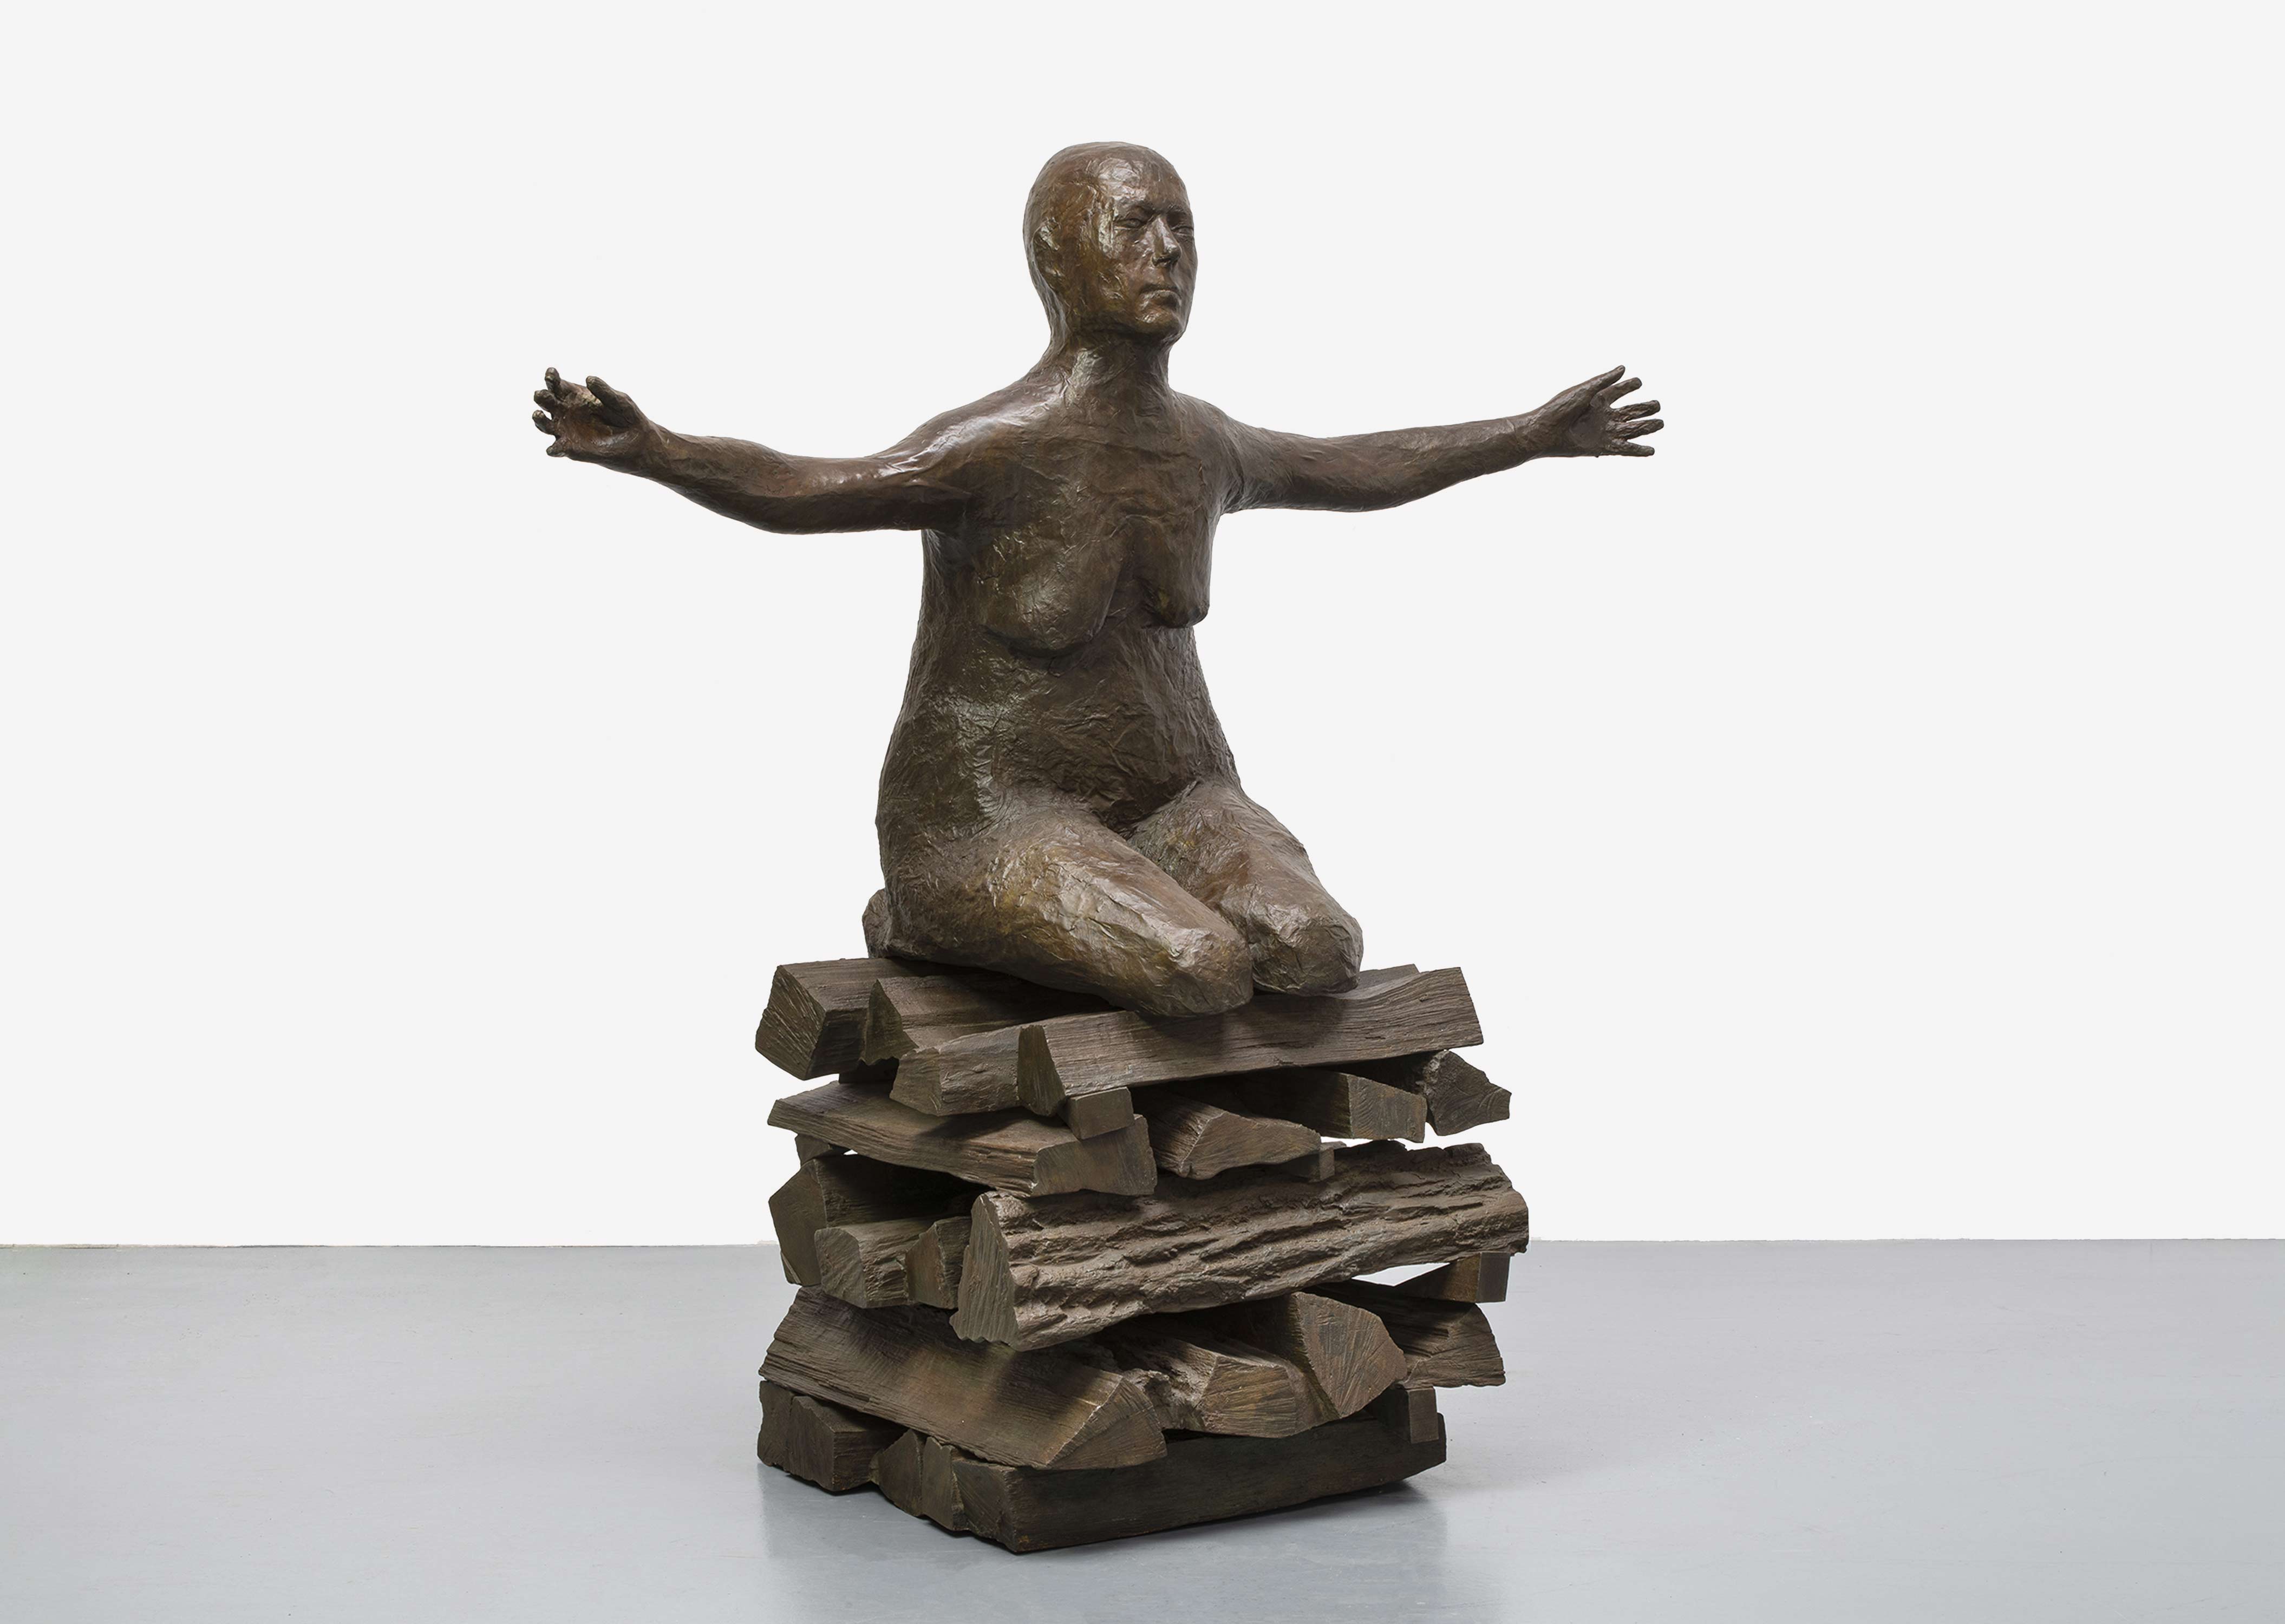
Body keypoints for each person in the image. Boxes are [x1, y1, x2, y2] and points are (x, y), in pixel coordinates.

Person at [533, 142, 1662, 1016]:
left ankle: (1105, 926)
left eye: (1183, 229)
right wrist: (661, 451)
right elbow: (813, 488)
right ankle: (927, 909)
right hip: (991, 815)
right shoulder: (996, 445)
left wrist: (1527, 435)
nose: (1167, 253)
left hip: (1181, 801)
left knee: (1315, 947)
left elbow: (1359, 466)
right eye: (1134, 226)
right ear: (1058, 257)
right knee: (1199, 965)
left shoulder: (1204, 444)